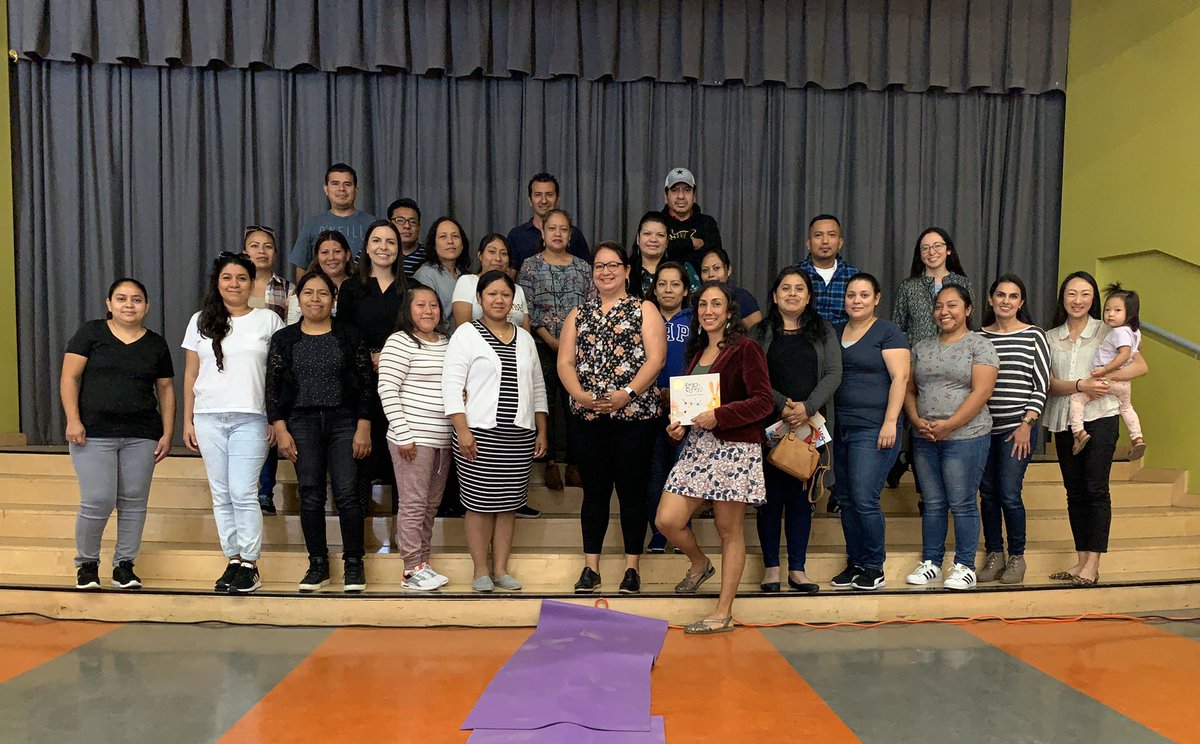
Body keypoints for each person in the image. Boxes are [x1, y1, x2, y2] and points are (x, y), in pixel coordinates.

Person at [655, 282, 774, 634]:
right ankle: (699, 563)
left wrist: (720, 415)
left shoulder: (746, 348)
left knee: (728, 530)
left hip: (735, 449)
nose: (708, 310)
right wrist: (677, 428)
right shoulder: (695, 352)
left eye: (716, 304)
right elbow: (691, 410)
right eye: (703, 304)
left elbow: (764, 401)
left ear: (730, 311)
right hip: (697, 446)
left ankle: (723, 613)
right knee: (667, 520)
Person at [558, 242, 666, 594]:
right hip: (588, 417)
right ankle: (591, 568)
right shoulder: (578, 313)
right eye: (599, 266)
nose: (605, 271)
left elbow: (655, 360)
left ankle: (632, 568)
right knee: (595, 493)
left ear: (627, 270)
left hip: (635, 416)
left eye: (613, 265)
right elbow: (565, 363)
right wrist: (579, 395)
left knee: (632, 493)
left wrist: (627, 394)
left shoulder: (644, 309)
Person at [61, 278, 175, 591]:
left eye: (136, 299)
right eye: (122, 299)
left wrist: (167, 432)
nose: (129, 305)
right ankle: (87, 563)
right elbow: (69, 378)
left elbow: (165, 390)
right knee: (98, 499)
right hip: (93, 433)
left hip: (142, 434)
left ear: (147, 306)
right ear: (109, 304)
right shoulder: (91, 333)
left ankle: (124, 565)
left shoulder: (155, 344)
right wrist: (73, 420)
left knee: (134, 502)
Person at [182, 253, 285, 594]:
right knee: (221, 493)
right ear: (217, 282)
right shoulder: (200, 320)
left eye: (242, 278)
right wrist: (189, 420)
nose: (234, 284)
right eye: (227, 277)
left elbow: (277, 375)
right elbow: (191, 373)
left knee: (243, 491)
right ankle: (233, 559)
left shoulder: (268, 321)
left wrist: (275, 418)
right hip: (208, 416)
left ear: (252, 282)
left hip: (251, 417)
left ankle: (251, 563)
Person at [266, 272, 374, 593]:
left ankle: (354, 563)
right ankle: (318, 564)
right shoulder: (285, 339)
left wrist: (364, 426)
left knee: (348, 494)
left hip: (345, 421)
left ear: (333, 298)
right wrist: (280, 428)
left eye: (323, 293)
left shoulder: (350, 335)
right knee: (311, 495)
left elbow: (367, 384)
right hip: (301, 422)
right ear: (298, 299)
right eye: (309, 293)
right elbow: (272, 388)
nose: (316, 299)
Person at [443, 271, 549, 592]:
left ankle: (501, 570)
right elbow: (451, 385)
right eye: (492, 294)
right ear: (479, 299)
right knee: (479, 503)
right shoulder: (466, 334)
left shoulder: (526, 338)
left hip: (517, 434)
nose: (499, 300)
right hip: (477, 432)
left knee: (508, 504)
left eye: (505, 295)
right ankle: (480, 570)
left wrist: (542, 431)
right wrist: (462, 430)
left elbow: (538, 388)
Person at [1044, 271, 1148, 586]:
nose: (1078, 300)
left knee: (1095, 489)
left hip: (1102, 415)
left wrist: (1104, 380)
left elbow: (1140, 366)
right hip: (1065, 418)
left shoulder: (1109, 329)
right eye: (1072, 293)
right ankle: (1080, 561)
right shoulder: (1050, 336)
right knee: (1074, 492)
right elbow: (1048, 384)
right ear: (1063, 297)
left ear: (1094, 299)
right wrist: (1080, 384)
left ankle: (1093, 564)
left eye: (1085, 294)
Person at [903, 285, 998, 590]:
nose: (944, 312)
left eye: (952, 305)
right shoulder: (922, 346)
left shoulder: (979, 345)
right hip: (925, 436)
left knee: (962, 502)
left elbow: (982, 391)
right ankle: (931, 562)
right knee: (931, 502)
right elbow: (908, 388)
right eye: (939, 306)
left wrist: (949, 424)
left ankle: (964, 566)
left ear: (968, 309)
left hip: (967, 436)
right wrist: (917, 420)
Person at [755, 269, 841, 594]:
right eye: (785, 288)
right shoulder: (759, 332)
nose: (792, 294)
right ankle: (771, 569)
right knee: (770, 500)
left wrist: (806, 408)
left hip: (811, 427)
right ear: (775, 295)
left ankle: (798, 569)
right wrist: (783, 406)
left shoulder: (823, 332)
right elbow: (754, 376)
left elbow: (833, 374)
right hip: (769, 429)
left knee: (802, 500)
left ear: (808, 297)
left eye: (799, 289)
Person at [829, 273, 909, 591]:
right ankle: (856, 562)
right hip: (841, 427)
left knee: (864, 498)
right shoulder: (835, 331)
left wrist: (890, 422)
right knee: (846, 498)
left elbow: (901, 378)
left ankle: (874, 566)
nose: (857, 300)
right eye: (851, 295)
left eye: (864, 295)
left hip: (875, 428)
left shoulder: (888, 332)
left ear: (876, 298)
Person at [378, 284, 455, 591]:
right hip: (411, 439)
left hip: (442, 440)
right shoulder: (399, 342)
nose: (428, 311)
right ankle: (411, 568)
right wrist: (404, 434)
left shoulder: (447, 343)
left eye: (433, 305)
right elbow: (387, 389)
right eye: (420, 305)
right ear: (408, 311)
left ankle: (423, 561)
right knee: (412, 504)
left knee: (430, 506)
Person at [976, 274, 1051, 584]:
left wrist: (1027, 425)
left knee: (1009, 493)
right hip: (979, 431)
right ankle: (995, 554)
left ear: (1021, 302)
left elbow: (1041, 384)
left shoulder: (1035, 336)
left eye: (1013, 296)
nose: (1006, 301)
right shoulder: (978, 336)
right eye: (1001, 295)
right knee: (988, 494)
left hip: (1016, 430)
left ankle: (1017, 556)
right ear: (991, 299)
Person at [887, 227, 974, 489]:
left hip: (954, 367)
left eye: (937, 246)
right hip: (917, 366)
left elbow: (969, 323)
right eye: (925, 248)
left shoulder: (962, 283)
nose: (931, 252)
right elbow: (897, 328)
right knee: (918, 421)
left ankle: (911, 466)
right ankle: (914, 471)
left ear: (948, 250)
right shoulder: (909, 286)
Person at [334, 220, 407, 522]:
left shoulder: (411, 287)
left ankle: (403, 535)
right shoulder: (351, 288)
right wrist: (369, 358)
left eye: (390, 242)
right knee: (362, 454)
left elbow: (413, 331)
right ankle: (359, 533)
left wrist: (387, 356)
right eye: (377, 241)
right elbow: (345, 333)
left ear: (399, 249)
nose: (383, 248)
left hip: (402, 379)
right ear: (366, 247)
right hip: (361, 380)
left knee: (401, 456)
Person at [517, 208, 591, 491]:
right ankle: (547, 462)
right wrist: (550, 339)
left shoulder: (584, 268)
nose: (558, 234)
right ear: (544, 233)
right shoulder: (530, 266)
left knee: (576, 404)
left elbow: (590, 307)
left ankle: (574, 463)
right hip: (542, 346)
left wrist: (571, 342)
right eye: (552, 229)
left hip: (579, 350)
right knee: (544, 403)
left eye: (563, 229)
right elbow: (528, 307)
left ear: (570, 234)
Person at [242, 225, 293, 516]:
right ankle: (244, 491)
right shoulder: (233, 285)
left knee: (270, 427)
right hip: (239, 368)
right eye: (254, 245)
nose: (261, 251)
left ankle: (264, 492)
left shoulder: (287, 289)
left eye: (267, 246)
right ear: (245, 250)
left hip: (273, 368)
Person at [646, 261, 693, 553]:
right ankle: (658, 532)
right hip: (648, 405)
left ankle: (680, 529)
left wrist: (677, 394)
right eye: (662, 283)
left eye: (675, 284)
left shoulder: (696, 320)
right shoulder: (643, 316)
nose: (668, 290)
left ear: (686, 289)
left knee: (682, 471)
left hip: (687, 407)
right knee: (654, 472)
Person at [1068, 284, 1145, 459]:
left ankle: (1079, 432)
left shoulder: (1118, 332)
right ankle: (1137, 437)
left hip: (1107, 380)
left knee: (1077, 398)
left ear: (1130, 314)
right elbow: (1137, 348)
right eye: (1108, 309)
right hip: (1124, 384)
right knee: (1126, 407)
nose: (1110, 314)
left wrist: (1105, 370)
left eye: (1117, 310)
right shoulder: (1134, 332)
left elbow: (1125, 355)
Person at [288, 163, 378, 281]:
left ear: (356, 190)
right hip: (321, 296)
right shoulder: (312, 225)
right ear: (326, 189)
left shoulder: (373, 224)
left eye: (347, 184)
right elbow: (301, 267)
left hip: (364, 294)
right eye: (335, 184)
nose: (341, 189)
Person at [507, 173, 590, 272]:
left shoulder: (574, 234)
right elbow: (510, 275)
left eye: (549, 194)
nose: (544, 201)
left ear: (557, 199)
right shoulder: (517, 235)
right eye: (538, 195)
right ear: (530, 200)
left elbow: (587, 271)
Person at [452, 233, 530, 330]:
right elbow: (463, 330)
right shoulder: (467, 282)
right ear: (480, 255)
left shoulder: (517, 289)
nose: (498, 258)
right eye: (492, 252)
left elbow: (526, 332)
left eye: (504, 253)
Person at [796, 214, 858, 325]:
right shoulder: (795, 275)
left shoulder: (854, 276)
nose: (825, 241)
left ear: (840, 243)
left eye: (831, 235)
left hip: (844, 339)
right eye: (818, 235)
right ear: (808, 243)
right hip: (803, 337)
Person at [414, 216, 471, 329]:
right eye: (443, 237)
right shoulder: (425, 274)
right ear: (434, 244)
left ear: (462, 244)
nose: (450, 241)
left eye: (455, 236)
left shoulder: (466, 276)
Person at [286, 230, 355, 324]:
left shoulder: (362, 287)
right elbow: (292, 331)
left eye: (337, 252)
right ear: (317, 257)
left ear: (347, 255)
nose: (331, 257)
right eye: (324, 252)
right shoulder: (304, 289)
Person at [660, 168, 721, 271]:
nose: (681, 196)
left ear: (694, 195)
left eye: (687, 190)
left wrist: (671, 248)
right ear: (666, 196)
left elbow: (713, 262)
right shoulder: (656, 223)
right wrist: (690, 243)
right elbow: (651, 256)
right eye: (674, 190)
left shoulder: (707, 223)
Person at [629, 211, 699, 300]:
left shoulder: (684, 268)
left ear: (667, 241)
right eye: (647, 234)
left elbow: (697, 305)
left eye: (660, 235)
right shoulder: (625, 269)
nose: (653, 239)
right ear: (638, 239)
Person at [698, 247, 763, 330]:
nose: (711, 274)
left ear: (728, 270)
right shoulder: (698, 298)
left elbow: (758, 334)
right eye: (705, 270)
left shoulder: (742, 297)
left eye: (717, 268)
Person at [387, 198, 426, 279]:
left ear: (419, 227)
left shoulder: (429, 255)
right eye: (400, 220)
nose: (407, 226)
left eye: (412, 222)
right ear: (389, 224)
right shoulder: (376, 252)